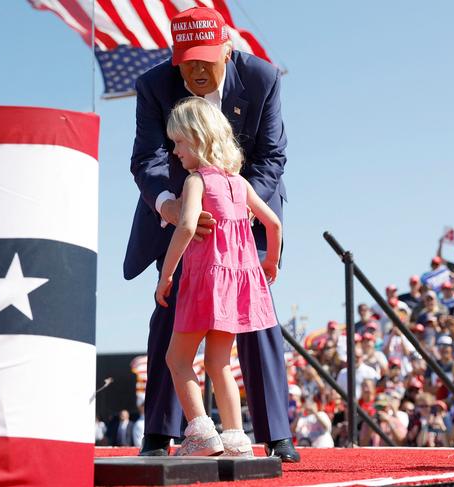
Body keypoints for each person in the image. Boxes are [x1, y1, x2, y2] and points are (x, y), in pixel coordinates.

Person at [123, 6, 298, 462]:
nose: (196, 70)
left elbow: (272, 156)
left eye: (206, 58)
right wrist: (173, 205)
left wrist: (232, 206)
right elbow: (149, 160)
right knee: (170, 317)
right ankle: (159, 432)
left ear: (228, 48)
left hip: (245, 214)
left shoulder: (262, 78)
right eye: (187, 60)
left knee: (256, 322)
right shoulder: (153, 85)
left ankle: (276, 434)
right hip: (183, 213)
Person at [155, 97, 282, 456]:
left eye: (178, 142)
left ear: (196, 139)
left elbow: (186, 224)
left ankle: (200, 432)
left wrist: (166, 274)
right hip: (236, 283)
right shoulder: (238, 183)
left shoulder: (196, 181)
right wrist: (269, 261)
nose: (175, 150)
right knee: (219, 362)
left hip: (204, 280)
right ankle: (236, 437)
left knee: (177, 360)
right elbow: (272, 223)